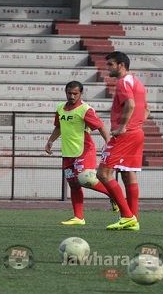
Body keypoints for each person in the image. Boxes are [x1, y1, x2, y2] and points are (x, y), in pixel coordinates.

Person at [45, 81, 115, 226]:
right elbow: (59, 127)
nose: (71, 96)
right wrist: (50, 141)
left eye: (75, 94)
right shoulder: (60, 109)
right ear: (65, 92)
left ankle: (113, 195)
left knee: (85, 179)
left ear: (80, 93)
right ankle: (78, 217)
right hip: (67, 152)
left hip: (84, 150)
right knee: (73, 184)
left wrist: (108, 143)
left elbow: (100, 126)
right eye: (69, 93)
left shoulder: (85, 110)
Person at [97, 51, 149, 231]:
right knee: (128, 174)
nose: (107, 68)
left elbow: (131, 104)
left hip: (125, 134)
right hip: (138, 133)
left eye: (110, 64)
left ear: (121, 65)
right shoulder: (138, 83)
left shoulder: (123, 82)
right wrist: (136, 124)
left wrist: (123, 127)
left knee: (103, 174)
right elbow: (146, 110)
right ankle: (133, 219)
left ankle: (126, 216)